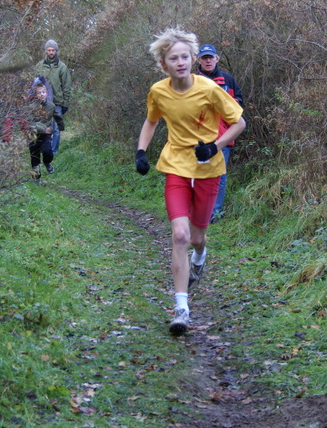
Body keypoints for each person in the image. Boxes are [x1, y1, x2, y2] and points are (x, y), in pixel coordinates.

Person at [135, 28, 246, 336]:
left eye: (185, 57)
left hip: (209, 167)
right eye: (174, 58)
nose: (181, 62)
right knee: (180, 235)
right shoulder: (158, 92)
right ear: (164, 64)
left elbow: (240, 122)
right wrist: (141, 152)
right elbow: (151, 120)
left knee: (197, 238)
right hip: (176, 166)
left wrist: (215, 146)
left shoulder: (209, 88)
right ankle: (181, 308)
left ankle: (201, 255)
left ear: (193, 59)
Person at [196, 44, 244, 224]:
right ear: (198, 60)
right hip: (198, 138)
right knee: (199, 174)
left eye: (211, 57)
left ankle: (215, 213)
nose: (208, 61)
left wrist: (225, 105)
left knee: (219, 177)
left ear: (217, 59)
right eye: (204, 58)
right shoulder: (192, 80)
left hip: (223, 137)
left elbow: (239, 103)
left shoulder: (227, 80)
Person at [34, 39, 72, 155]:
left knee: (55, 128)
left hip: (57, 102)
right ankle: (42, 149)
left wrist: (65, 104)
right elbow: (34, 84)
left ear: (56, 51)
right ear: (46, 51)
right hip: (42, 102)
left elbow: (67, 86)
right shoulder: (39, 66)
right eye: (49, 50)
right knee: (42, 127)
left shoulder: (62, 67)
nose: (51, 52)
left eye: (53, 50)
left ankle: (54, 151)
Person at [27, 83, 59, 179]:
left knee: (47, 152)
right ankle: (36, 179)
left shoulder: (51, 106)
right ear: (35, 95)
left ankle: (47, 162)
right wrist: (43, 129)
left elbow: (55, 120)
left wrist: (52, 130)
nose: (42, 94)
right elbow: (30, 123)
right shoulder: (31, 107)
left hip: (46, 134)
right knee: (35, 157)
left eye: (43, 92)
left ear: (46, 93)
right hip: (34, 135)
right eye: (39, 93)